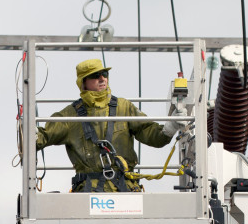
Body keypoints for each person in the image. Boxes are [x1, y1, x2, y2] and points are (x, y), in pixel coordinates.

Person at [35, 59, 177, 193]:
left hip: (125, 188)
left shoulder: (124, 107)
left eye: (104, 74)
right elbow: (43, 137)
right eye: (96, 75)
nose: (102, 78)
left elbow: (150, 133)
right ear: (83, 82)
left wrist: (169, 129)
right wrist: (29, 133)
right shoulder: (69, 116)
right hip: (89, 191)